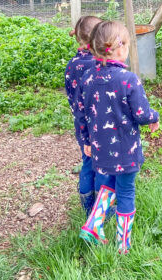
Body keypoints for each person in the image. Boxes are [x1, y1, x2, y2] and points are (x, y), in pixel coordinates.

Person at [75, 20, 159, 252]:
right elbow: (141, 114)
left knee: (108, 185)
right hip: (125, 151)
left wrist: (86, 142)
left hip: (100, 150)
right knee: (125, 190)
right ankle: (123, 243)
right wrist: (154, 117)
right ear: (121, 49)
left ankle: (93, 225)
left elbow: (82, 114)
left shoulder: (88, 79)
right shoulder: (128, 80)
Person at [64, 15, 102, 219]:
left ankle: (87, 205)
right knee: (104, 165)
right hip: (101, 125)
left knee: (87, 161)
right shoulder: (97, 65)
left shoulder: (72, 64)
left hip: (82, 126)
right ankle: (103, 208)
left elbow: (70, 94)